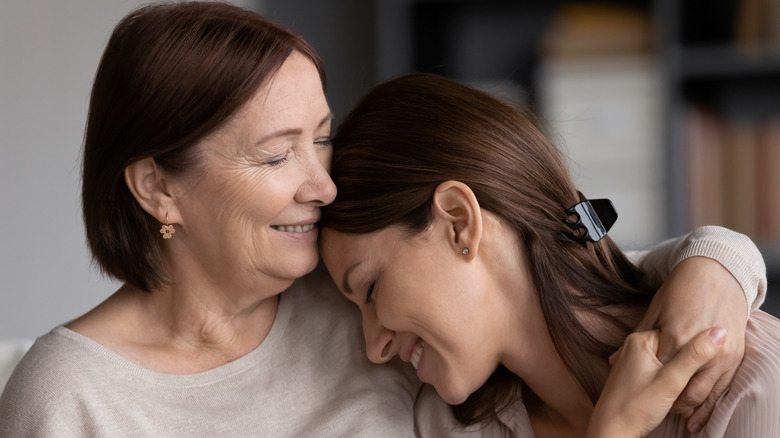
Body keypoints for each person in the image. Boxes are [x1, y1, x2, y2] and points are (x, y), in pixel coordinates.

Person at [0, 3, 767, 436]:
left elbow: (568, 269)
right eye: (276, 156)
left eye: (321, 141)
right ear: (158, 189)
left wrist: (720, 262)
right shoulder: (69, 397)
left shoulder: (346, 298)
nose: (324, 186)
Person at [319, 72, 780, 437]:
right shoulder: (449, 427)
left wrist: (719, 256)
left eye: (372, 290)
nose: (374, 347)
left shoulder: (748, 388)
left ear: (459, 222)